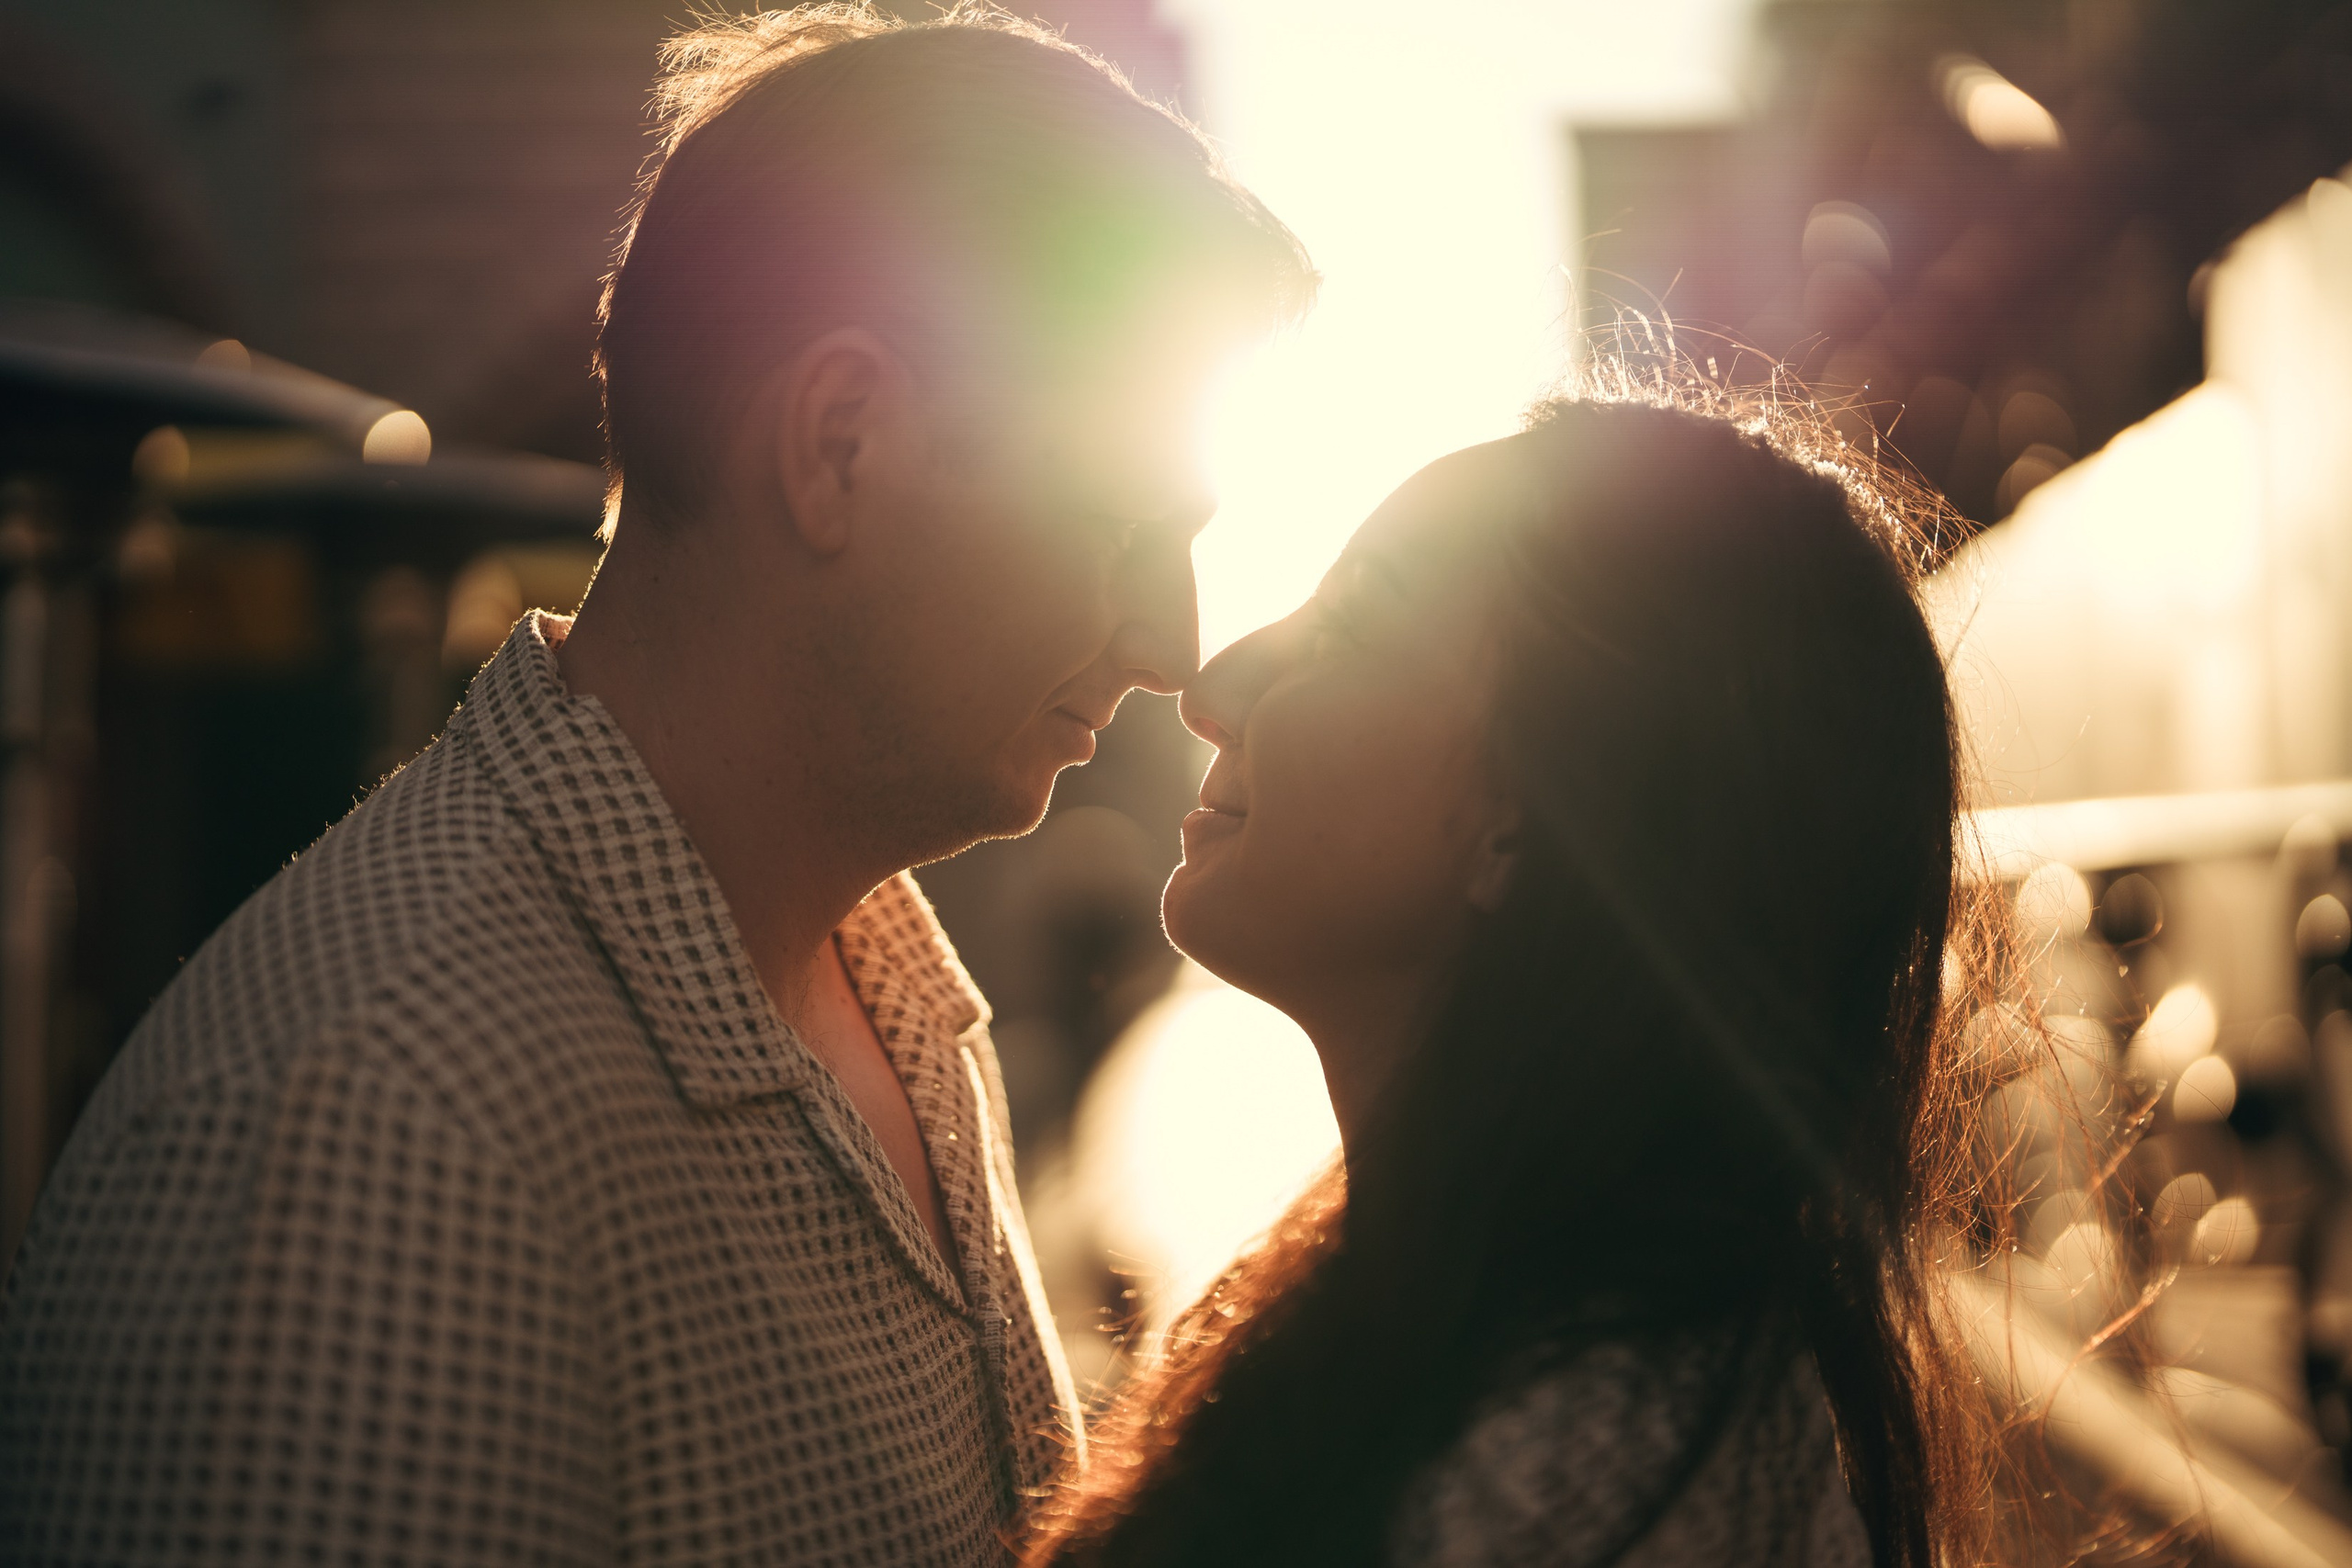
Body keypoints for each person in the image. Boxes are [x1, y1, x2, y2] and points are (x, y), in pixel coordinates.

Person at [0, 7, 1311, 1565]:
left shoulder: (873, 979)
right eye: (1117, 522)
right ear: (841, 447)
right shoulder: (375, 1144)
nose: (1173, 641)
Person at [1020, 389, 2036, 1568]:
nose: (1214, 683)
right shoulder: (1524, 1339)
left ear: (1530, 813)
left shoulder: (1574, 1478)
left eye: (1349, 624)